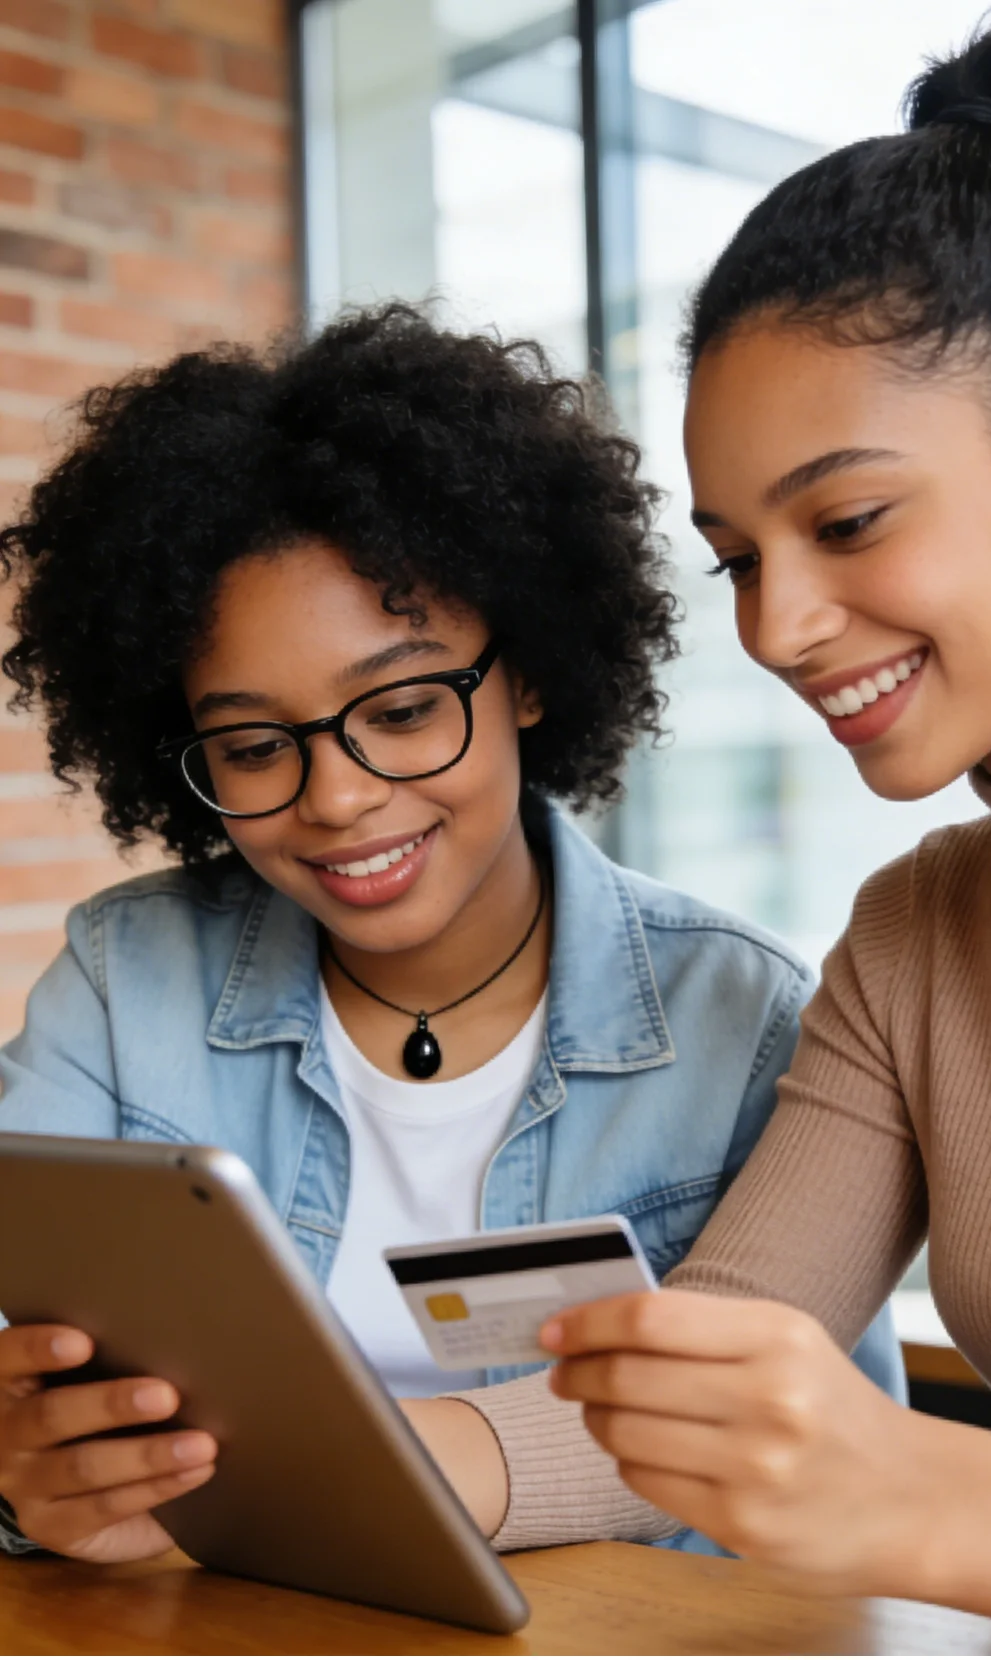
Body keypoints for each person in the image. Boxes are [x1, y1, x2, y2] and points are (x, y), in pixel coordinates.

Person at [363, 12, 991, 1653]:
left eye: (843, 522)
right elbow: (710, 1358)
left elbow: (906, 1498)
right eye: (737, 557)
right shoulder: (917, 934)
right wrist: (261, 1470)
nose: (775, 626)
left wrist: (923, 1497)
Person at [0, 303, 904, 1567]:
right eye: (256, 745)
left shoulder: (738, 1017)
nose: (338, 796)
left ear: (526, 673)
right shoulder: (122, 985)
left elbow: (825, 1497)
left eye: (406, 708)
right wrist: (27, 1479)